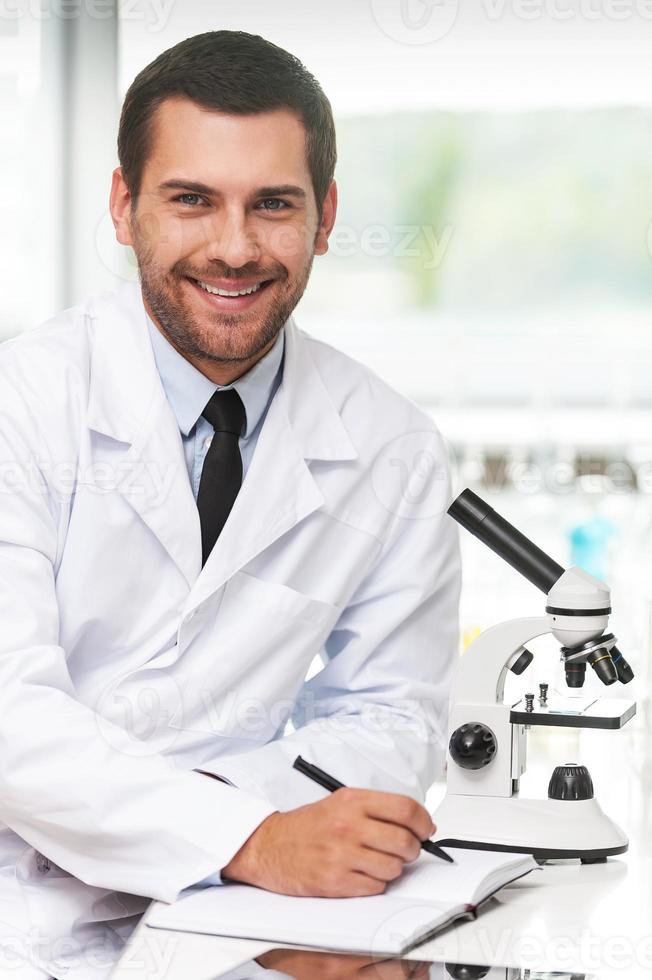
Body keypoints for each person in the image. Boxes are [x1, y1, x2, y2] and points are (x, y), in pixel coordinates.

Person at [0, 30, 460, 980]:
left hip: (233, 925)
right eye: (192, 200)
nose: (236, 248)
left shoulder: (392, 446)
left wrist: (233, 822)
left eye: (274, 205)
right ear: (125, 207)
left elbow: (394, 717)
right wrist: (251, 833)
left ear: (325, 216)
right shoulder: (23, 403)